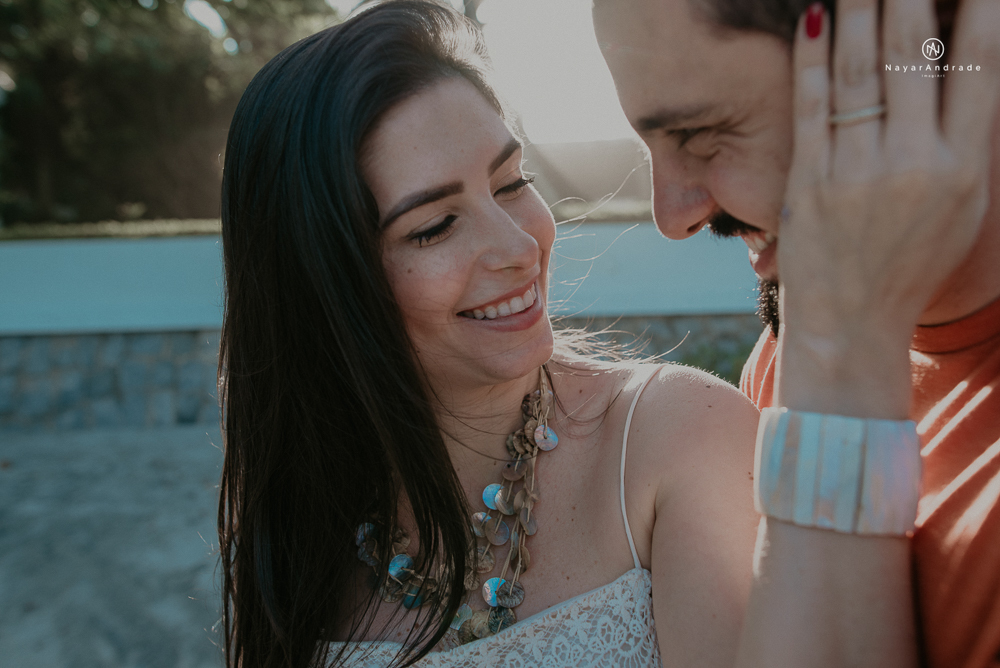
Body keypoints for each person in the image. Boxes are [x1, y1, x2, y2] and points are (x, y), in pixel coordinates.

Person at [218, 1, 936, 667]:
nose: (518, 246)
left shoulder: (677, 439)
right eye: (434, 226)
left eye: (511, 183)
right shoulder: (298, 529)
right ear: (321, 284)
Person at [594, 0, 1000, 666]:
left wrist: (844, 362)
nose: (672, 216)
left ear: (905, 60)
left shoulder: (826, 345)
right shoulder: (791, 350)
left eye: (700, 133)